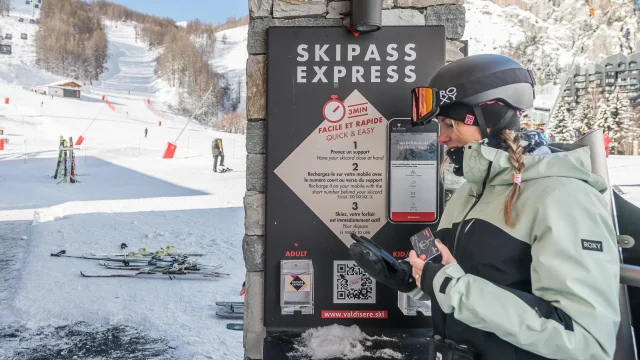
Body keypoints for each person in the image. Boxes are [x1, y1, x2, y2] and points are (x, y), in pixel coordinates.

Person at [404, 54, 620, 359]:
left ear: (487, 120)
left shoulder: (563, 197)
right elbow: (458, 277)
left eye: (449, 123)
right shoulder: (471, 191)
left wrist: (453, 288)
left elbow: (585, 343)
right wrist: (414, 278)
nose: (441, 138)